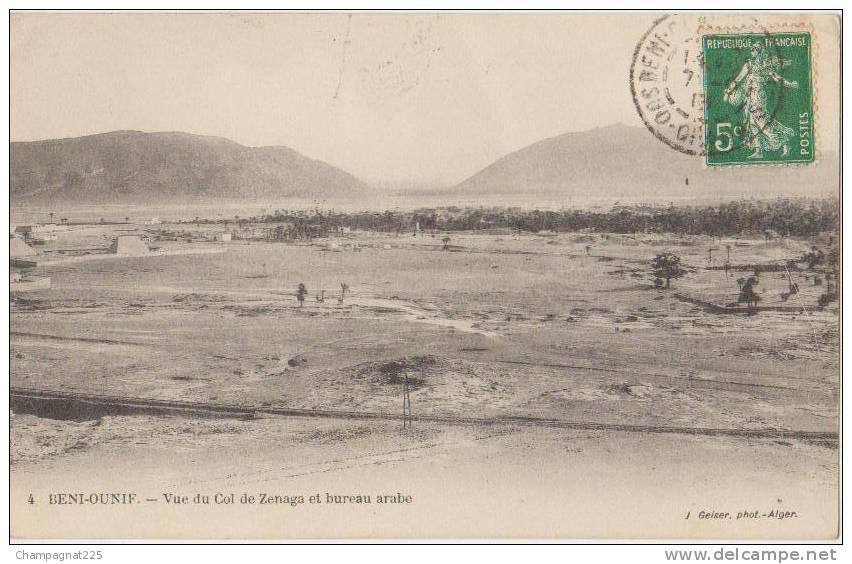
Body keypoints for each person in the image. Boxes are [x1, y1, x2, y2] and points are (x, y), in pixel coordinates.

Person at [724, 42, 798, 159]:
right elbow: (738, 79)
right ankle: (759, 151)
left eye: (754, 49)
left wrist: (790, 84)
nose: (752, 52)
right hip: (750, 96)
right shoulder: (749, 64)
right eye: (751, 49)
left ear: (759, 51)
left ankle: (784, 142)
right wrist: (728, 92)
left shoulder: (766, 65)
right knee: (752, 122)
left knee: (762, 121)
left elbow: (777, 78)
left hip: (759, 97)